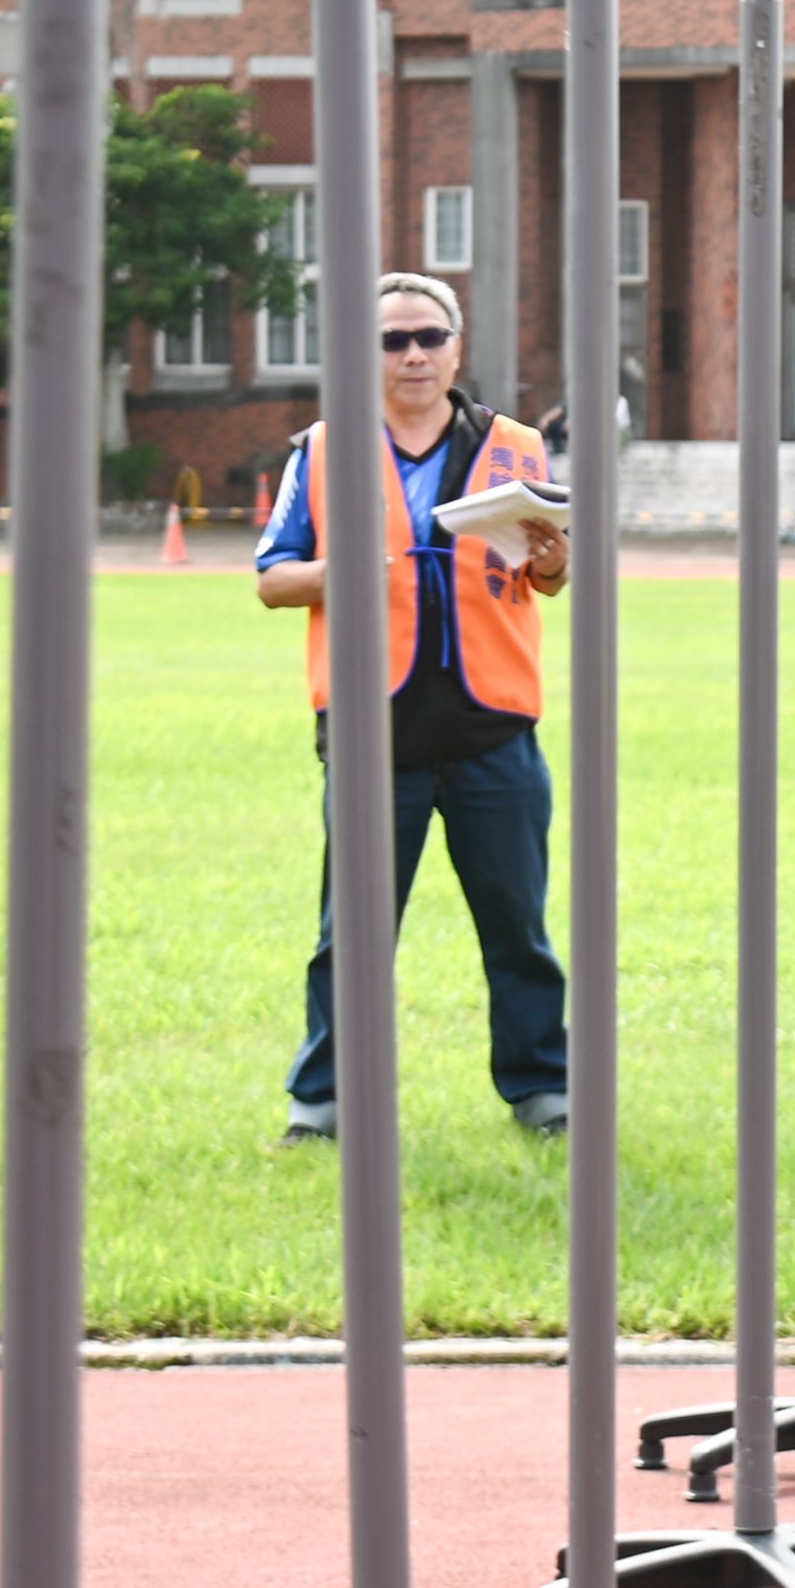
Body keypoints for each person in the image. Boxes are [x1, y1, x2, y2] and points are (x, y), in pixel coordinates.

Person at [252, 271, 571, 1142]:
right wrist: (338, 573)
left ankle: (544, 1091)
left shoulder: (513, 446)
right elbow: (273, 578)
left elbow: (547, 575)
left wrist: (551, 556)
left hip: (493, 729)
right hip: (369, 730)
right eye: (392, 340)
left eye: (429, 336)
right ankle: (320, 1103)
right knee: (348, 936)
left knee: (518, 926)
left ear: (456, 347)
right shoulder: (322, 452)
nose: (414, 355)